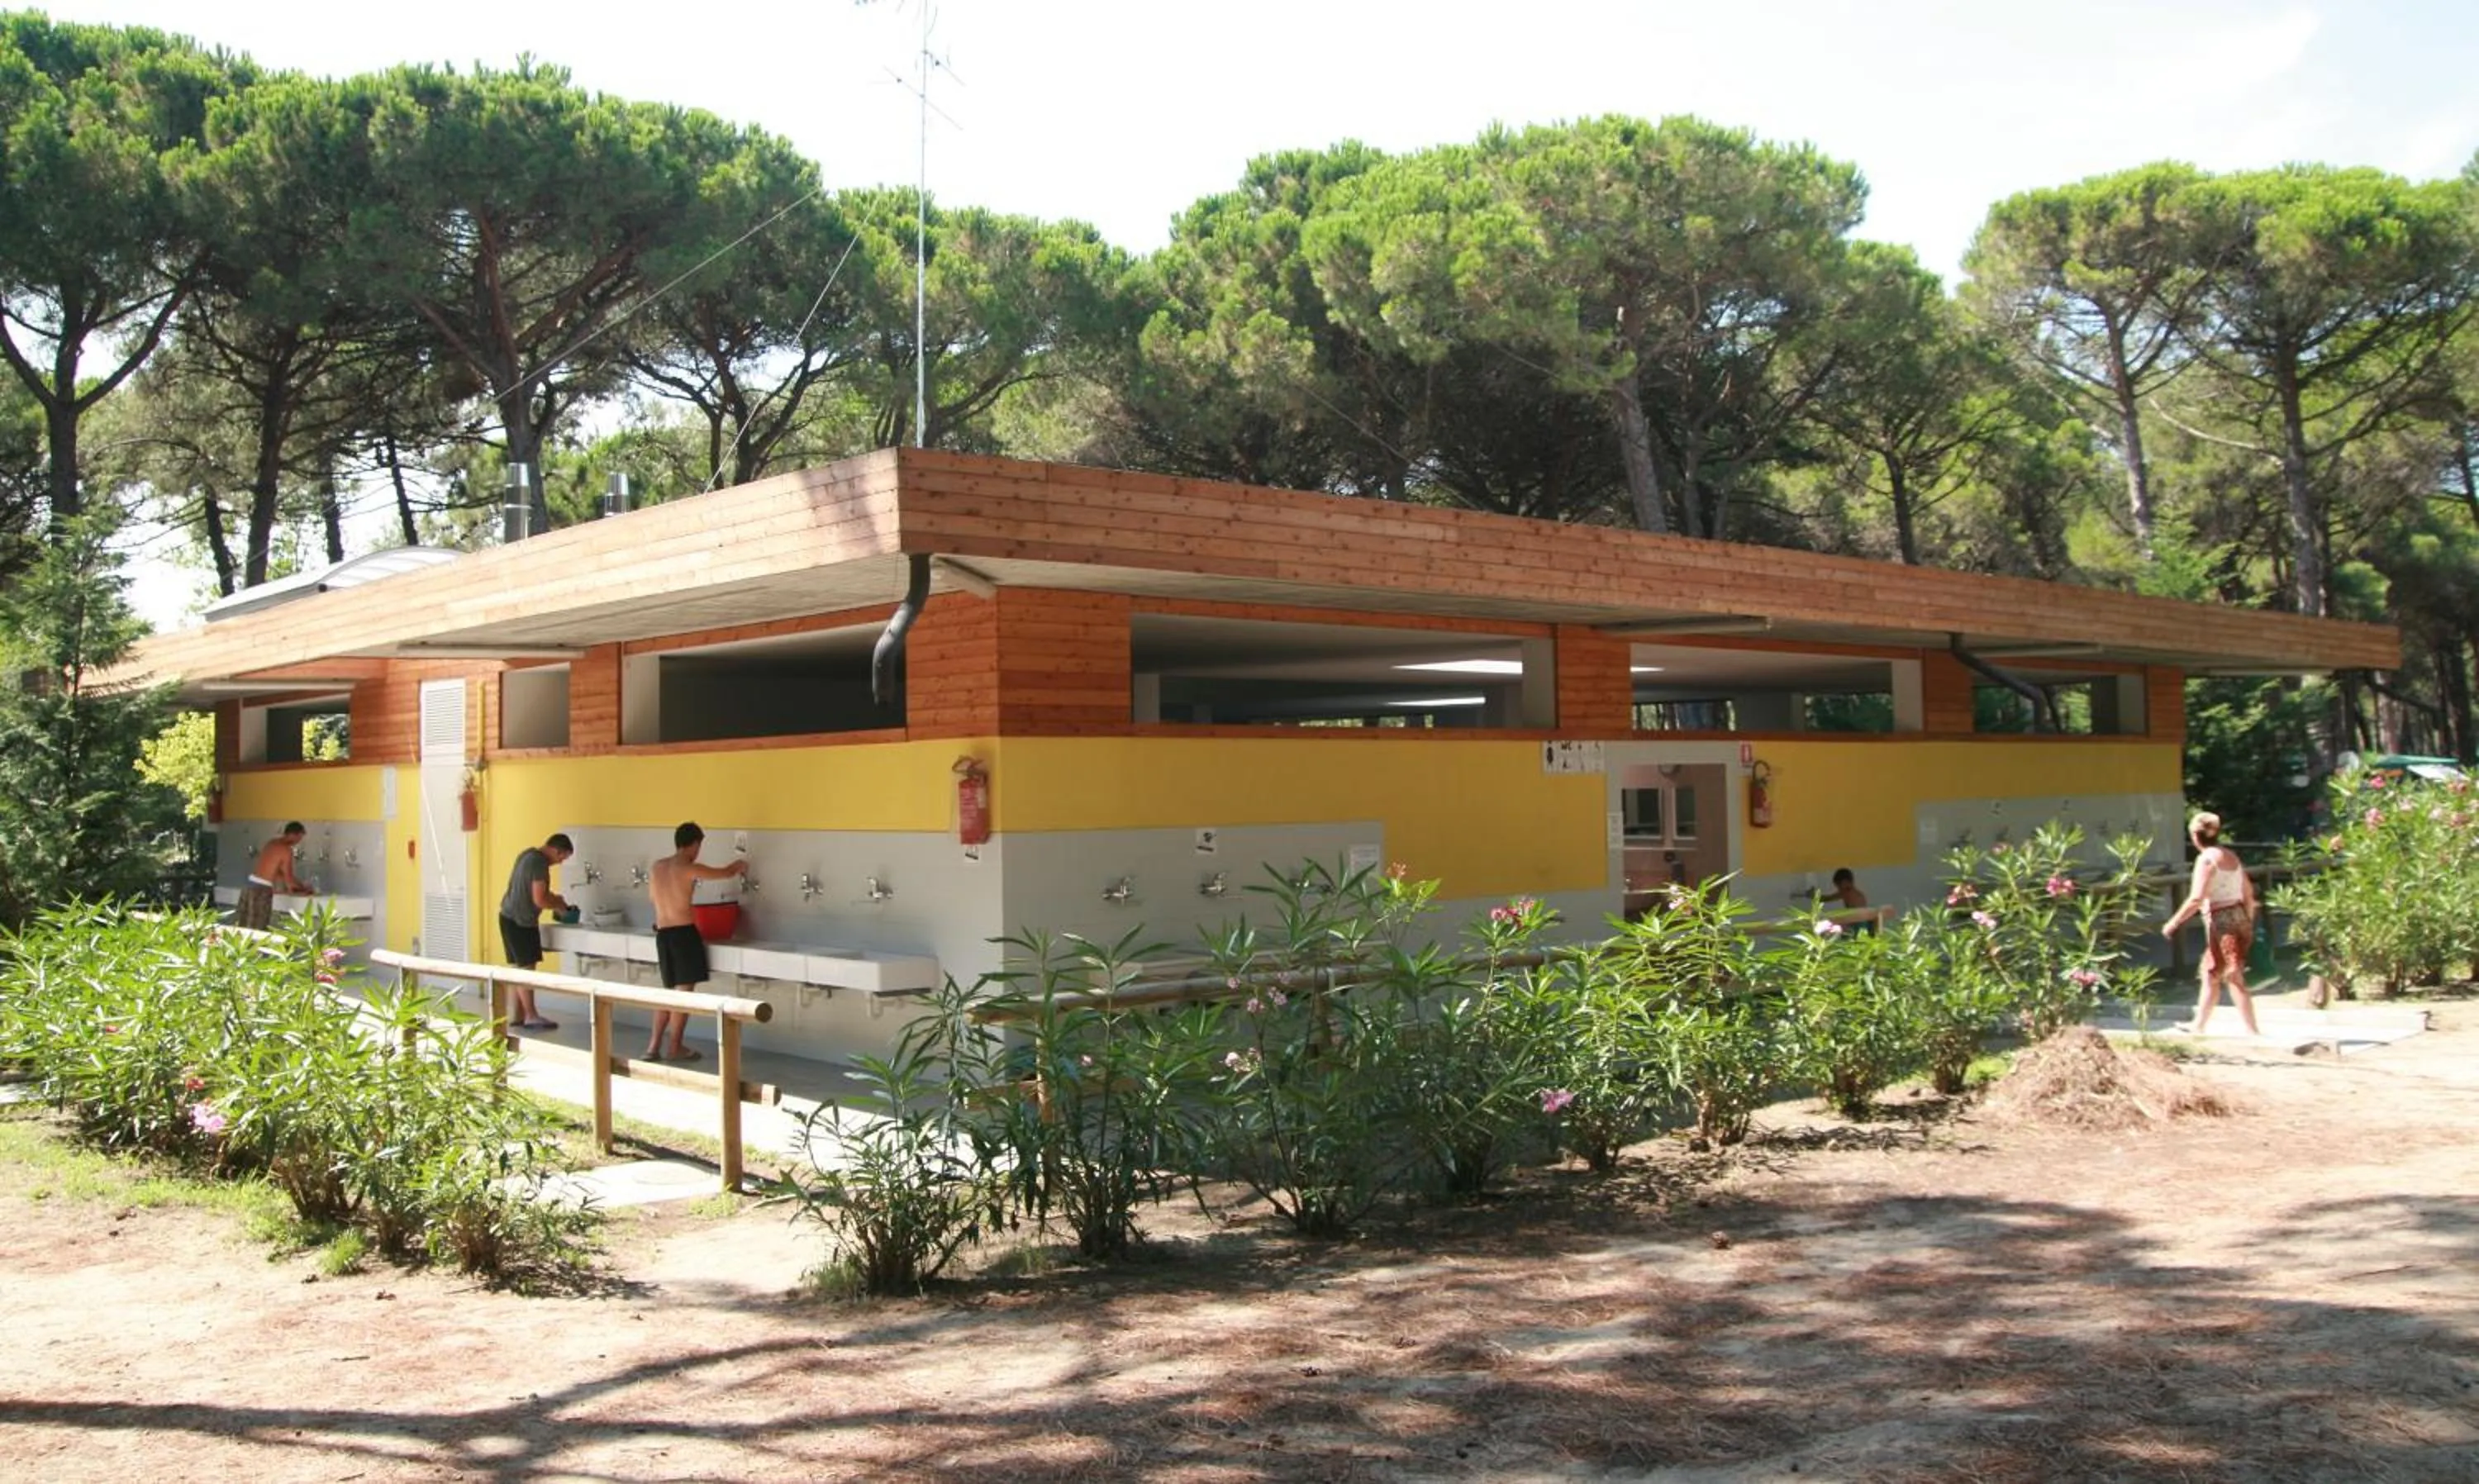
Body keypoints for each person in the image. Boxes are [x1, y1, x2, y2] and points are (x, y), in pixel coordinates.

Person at [645, 821, 745, 1063]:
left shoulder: (657, 867)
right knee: (684, 994)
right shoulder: (689, 868)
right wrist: (740, 865)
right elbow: (725, 874)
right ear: (695, 844)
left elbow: (652, 898)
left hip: (663, 934)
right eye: (699, 846)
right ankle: (675, 1046)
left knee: (667, 993)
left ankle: (652, 1046)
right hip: (683, 934)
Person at [2163, 811, 2262, 1037]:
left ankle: (2252, 1030)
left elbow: (2197, 897)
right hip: (2238, 914)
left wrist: (2174, 922)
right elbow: (2248, 893)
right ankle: (2199, 1026)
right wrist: (2247, 920)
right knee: (2211, 973)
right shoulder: (2231, 856)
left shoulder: (2206, 859)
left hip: (2221, 918)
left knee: (2232, 975)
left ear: (2194, 836)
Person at [497, 832, 575, 1031]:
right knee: (526, 969)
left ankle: (517, 1015)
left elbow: (528, 889)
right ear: (557, 850)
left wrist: (554, 898)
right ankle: (531, 1015)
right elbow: (539, 899)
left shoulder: (527, 855)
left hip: (507, 916)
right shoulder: (539, 864)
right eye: (562, 857)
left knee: (518, 967)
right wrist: (557, 904)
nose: (561, 862)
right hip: (521, 921)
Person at [237, 822, 312, 930]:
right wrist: (305, 889)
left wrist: (298, 886)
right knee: (258, 927)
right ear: (294, 834)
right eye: (299, 838)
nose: (298, 842)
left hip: (248, 886)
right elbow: (289, 879)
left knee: (243, 926)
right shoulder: (286, 850)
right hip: (261, 890)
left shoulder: (271, 843)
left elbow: (279, 874)